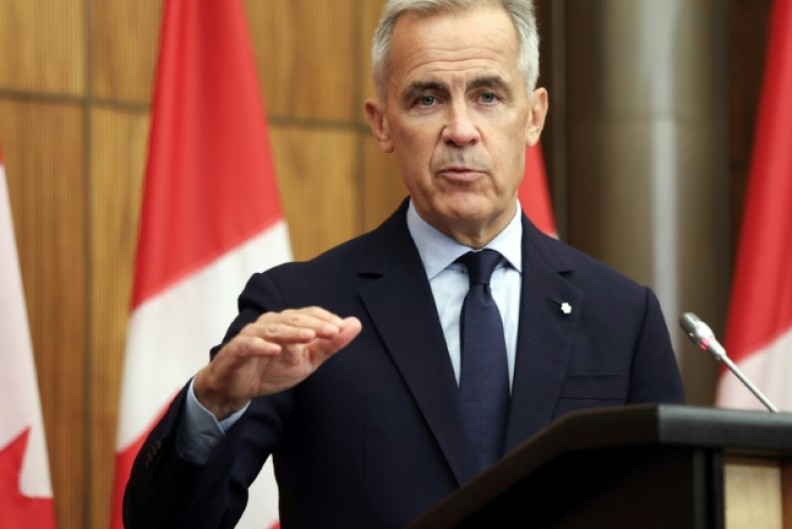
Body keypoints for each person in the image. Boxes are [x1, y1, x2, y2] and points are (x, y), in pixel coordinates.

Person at [122, 0, 684, 527]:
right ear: (382, 122)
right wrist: (215, 401)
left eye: (488, 96)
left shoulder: (622, 317)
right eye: (427, 98)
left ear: (533, 116)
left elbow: (676, 509)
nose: (461, 129)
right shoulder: (299, 309)